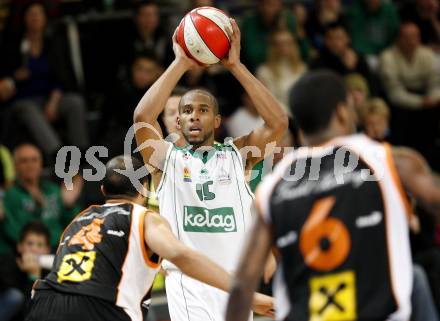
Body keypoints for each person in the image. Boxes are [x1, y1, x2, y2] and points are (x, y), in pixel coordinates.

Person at [225, 70, 440, 321]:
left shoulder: (272, 186)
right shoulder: (390, 160)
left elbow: (241, 285)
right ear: (342, 111)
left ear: (301, 124)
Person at [133, 19, 288, 321]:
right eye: (186, 111)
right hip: (190, 283)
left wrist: (236, 66)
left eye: (203, 110)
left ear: (217, 121)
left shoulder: (238, 154)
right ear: (177, 122)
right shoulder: (166, 159)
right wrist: (179, 63)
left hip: (235, 282)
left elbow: (278, 122)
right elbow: (142, 115)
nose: (194, 117)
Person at [25, 155, 273, 321]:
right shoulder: (145, 217)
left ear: (103, 191)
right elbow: (181, 254)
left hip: (44, 303)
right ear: (144, 188)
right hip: (99, 307)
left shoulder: (79, 219)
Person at [0, 2, 89, 162]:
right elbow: (5, 81)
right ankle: (57, 153)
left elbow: (60, 77)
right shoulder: (12, 45)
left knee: (75, 102)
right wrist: (14, 78)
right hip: (22, 100)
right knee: (29, 109)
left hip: (49, 97)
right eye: (31, 14)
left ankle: (81, 152)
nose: (35, 18)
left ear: (45, 18)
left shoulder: (52, 43)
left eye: (38, 14)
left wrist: (53, 102)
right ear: (24, 19)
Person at [0, 144, 81, 255]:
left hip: (58, 251)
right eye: (24, 161)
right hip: (26, 253)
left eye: (34, 160)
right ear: (15, 166)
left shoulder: (52, 190)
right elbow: (12, 231)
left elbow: (72, 225)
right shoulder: (10, 195)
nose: (30, 165)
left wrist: (69, 206)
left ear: (41, 164)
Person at [378, 22, 440, 168]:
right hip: (399, 104)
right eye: (406, 37)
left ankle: (431, 156)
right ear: (398, 39)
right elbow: (394, 92)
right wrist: (420, 102)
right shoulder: (387, 57)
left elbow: (436, 82)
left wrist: (432, 98)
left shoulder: (427, 55)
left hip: (425, 99)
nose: (411, 41)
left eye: (414, 37)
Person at [0, 221, 51, 321]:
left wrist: (34, 277)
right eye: (30, 244)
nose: (34, 249)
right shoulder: (6, 264)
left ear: (47, 250)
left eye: (40, 245)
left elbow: (35, 313)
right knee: (15, 297)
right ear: (19, 247)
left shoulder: (49, 274)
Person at [256, 29, 307, 113]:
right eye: (279, 44)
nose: (284, 47)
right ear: (273, 47)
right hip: (278, 117)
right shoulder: (264, 72)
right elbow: (267, 102)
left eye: (288, 43)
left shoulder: (302, 68)